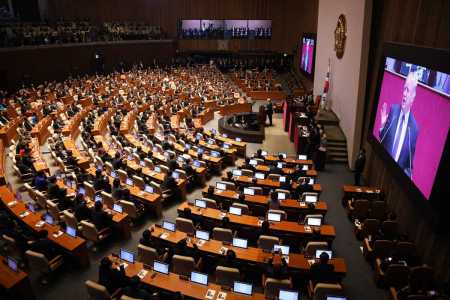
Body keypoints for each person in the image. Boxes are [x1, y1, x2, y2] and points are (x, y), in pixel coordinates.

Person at [379, 72, 419, 178]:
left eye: (408, 91)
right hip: (382, 169)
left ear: (413, 97)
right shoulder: (393, 111)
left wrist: (406, 178)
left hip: (395, 178)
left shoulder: (414, 129)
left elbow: (409, 165)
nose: (405, 94)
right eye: (404, 89)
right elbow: (383, 140)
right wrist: (383, 125)